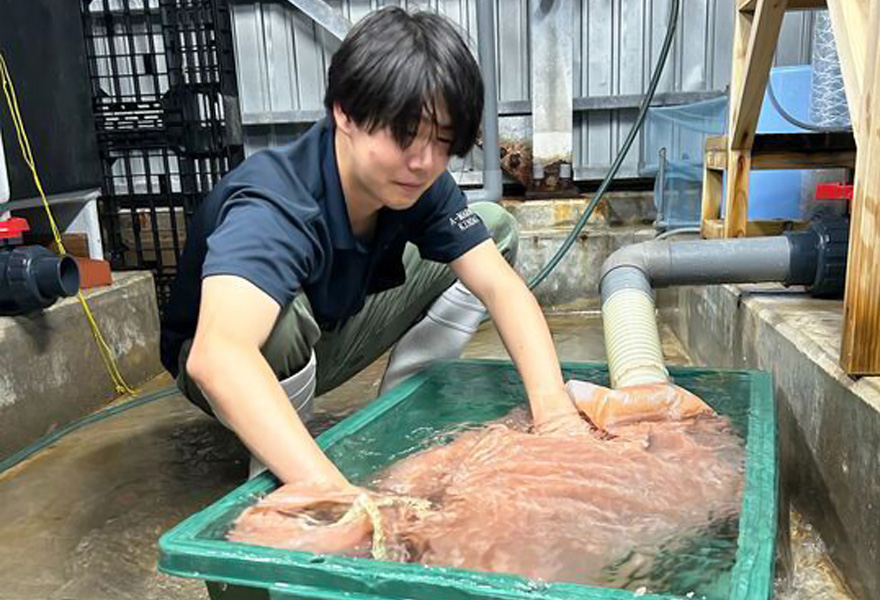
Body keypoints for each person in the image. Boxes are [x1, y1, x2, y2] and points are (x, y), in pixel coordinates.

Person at [159, 6, 581, 495]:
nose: (423, 162)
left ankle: (401, 417)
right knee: (277, 325)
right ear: (345, 111)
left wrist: (555, 416)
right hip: (238, 363)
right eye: (403, 135)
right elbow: (218, 356)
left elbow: (501, 287)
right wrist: (340, 497)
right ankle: (280, 477)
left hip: (334, 331)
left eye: (442, 141)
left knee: (494, 228)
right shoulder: (276, 200)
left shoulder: (419, 180)